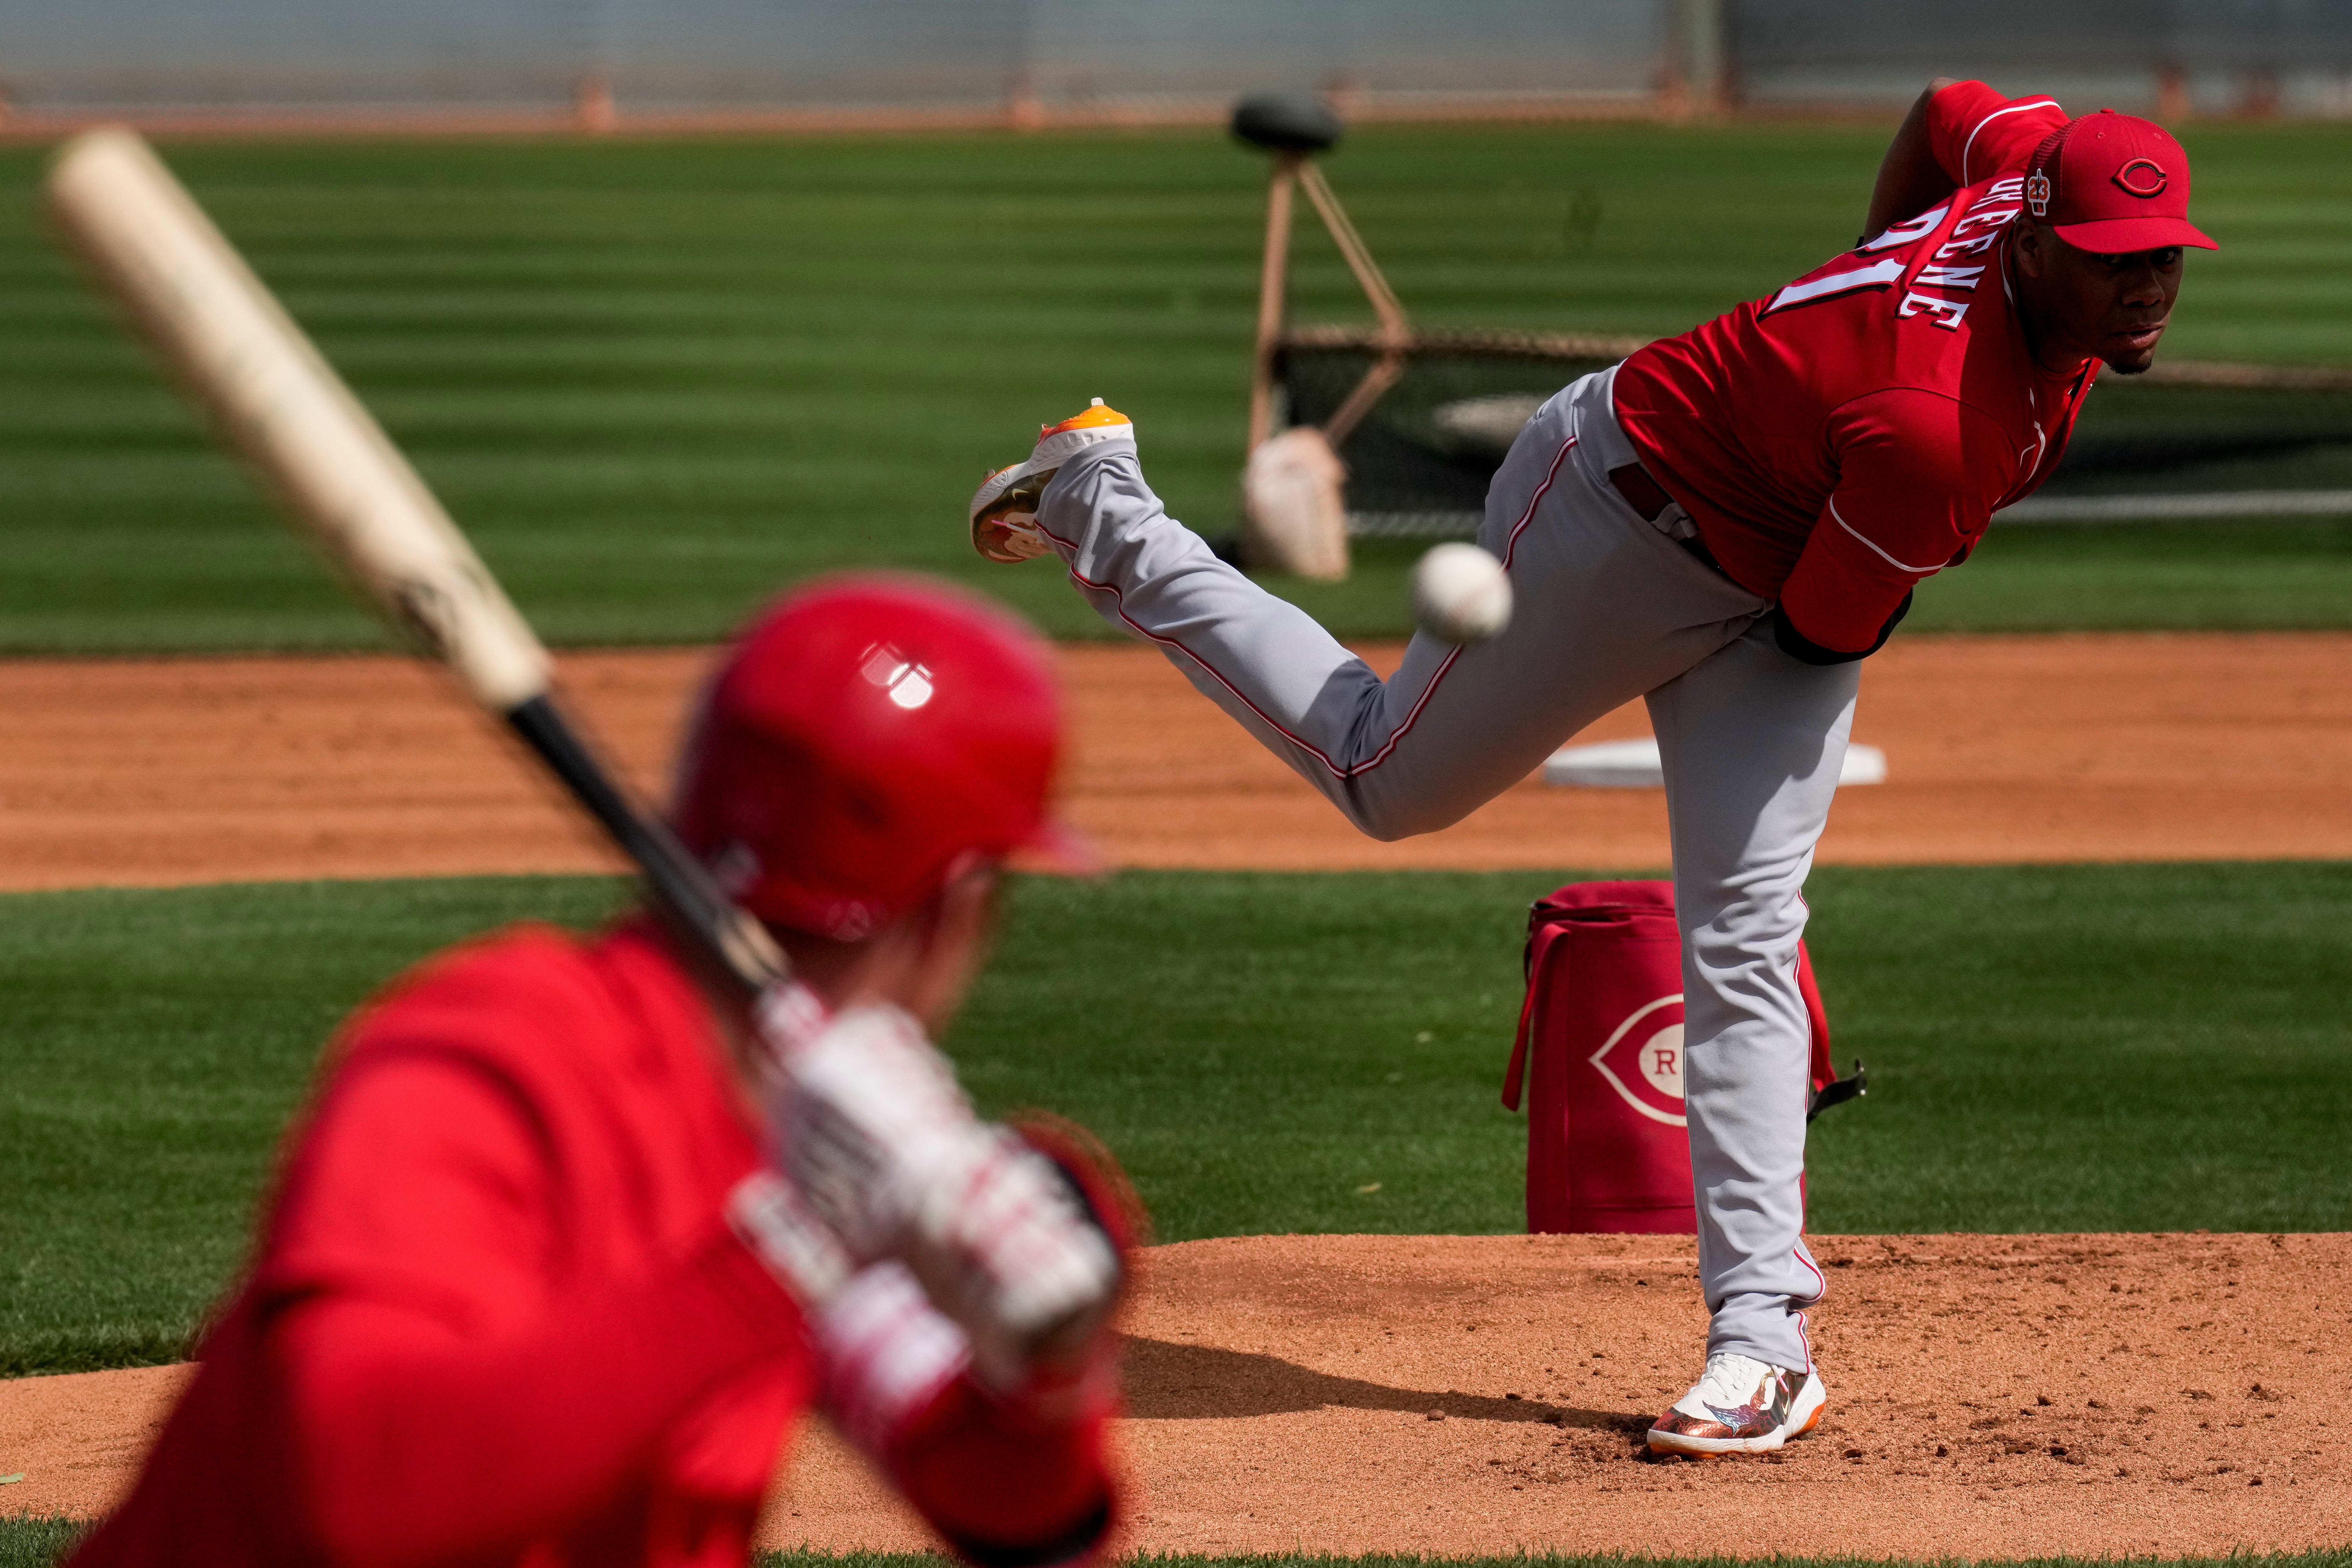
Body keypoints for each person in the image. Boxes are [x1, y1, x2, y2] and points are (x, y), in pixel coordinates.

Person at [966, 80, 2213, 1457]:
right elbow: (1820, 627)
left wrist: (1875, 276)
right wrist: (1881, 337)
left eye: (2161, 259)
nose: (2144, 287)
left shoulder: (2029, 166)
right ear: (2031, 243)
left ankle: (1762, 1338)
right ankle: (1102, 502)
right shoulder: (1932, 431)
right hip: (1617, 521)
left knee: (1743, 930)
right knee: (1389, 779)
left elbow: (1941, 108)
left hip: (1790, 538)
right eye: (2109, 263)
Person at [72, 575, 1127, 1567]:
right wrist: (787, 1251)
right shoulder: (495, 1053)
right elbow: (360, 1488)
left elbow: (1007, 1510)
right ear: (958, 904)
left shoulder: (812, 1124)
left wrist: (1042, 1378)